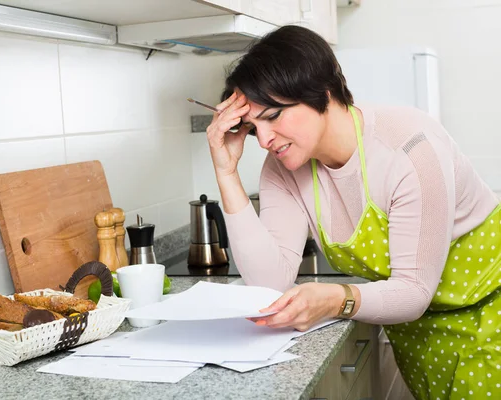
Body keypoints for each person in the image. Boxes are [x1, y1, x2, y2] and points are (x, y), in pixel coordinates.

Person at [205, 25, 501, 400]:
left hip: (489, 318)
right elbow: (271, 283)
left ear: (321, 92)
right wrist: (226, 172)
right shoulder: (283, 167)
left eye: (274, 116)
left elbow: (413, 291)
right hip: (416, 333)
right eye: (252, 126)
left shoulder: (409, 149)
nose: (263, 140)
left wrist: (334, 299)